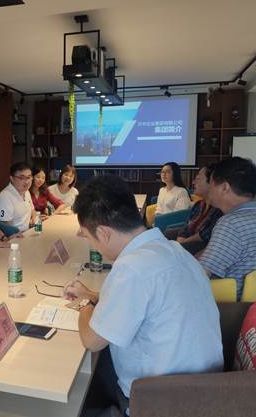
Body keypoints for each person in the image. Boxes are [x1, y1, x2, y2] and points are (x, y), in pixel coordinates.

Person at [64, 175, 223, 416]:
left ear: (104, 233)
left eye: (87, 235)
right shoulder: (172, 249)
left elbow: (92, 340)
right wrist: (93, 294)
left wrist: (84, 303)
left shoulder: (132, 268)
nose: (90, 243)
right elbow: (145, 301)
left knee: (79, 383)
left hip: (160, 399)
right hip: (203, 389)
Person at [198, 157, 256, 299]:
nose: (209, 189)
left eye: (211, 183)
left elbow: (200, 274)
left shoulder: (231, 224)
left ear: (225, 188)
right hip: (255, 302)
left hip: (226, 304)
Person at [171, 165, 223, 255]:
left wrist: (183, 242)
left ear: (211, 182)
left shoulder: (220, 208)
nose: (193, 182)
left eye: (198, 178)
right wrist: (180, 238)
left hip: (202, 246)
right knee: (167, 235)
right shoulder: (199, 205)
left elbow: (205, 235)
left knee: (178, 249)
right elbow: (187, 225)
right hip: (188, 239)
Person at [0, 162, 36, 232]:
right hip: (15, 235)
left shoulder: (26, 191)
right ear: (12, 178)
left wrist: (33, 220)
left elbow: (32, 210)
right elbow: (6, 226)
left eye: (28, 177)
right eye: (22, 178)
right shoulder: (5, 197)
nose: (26, 181)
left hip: (28, 231)